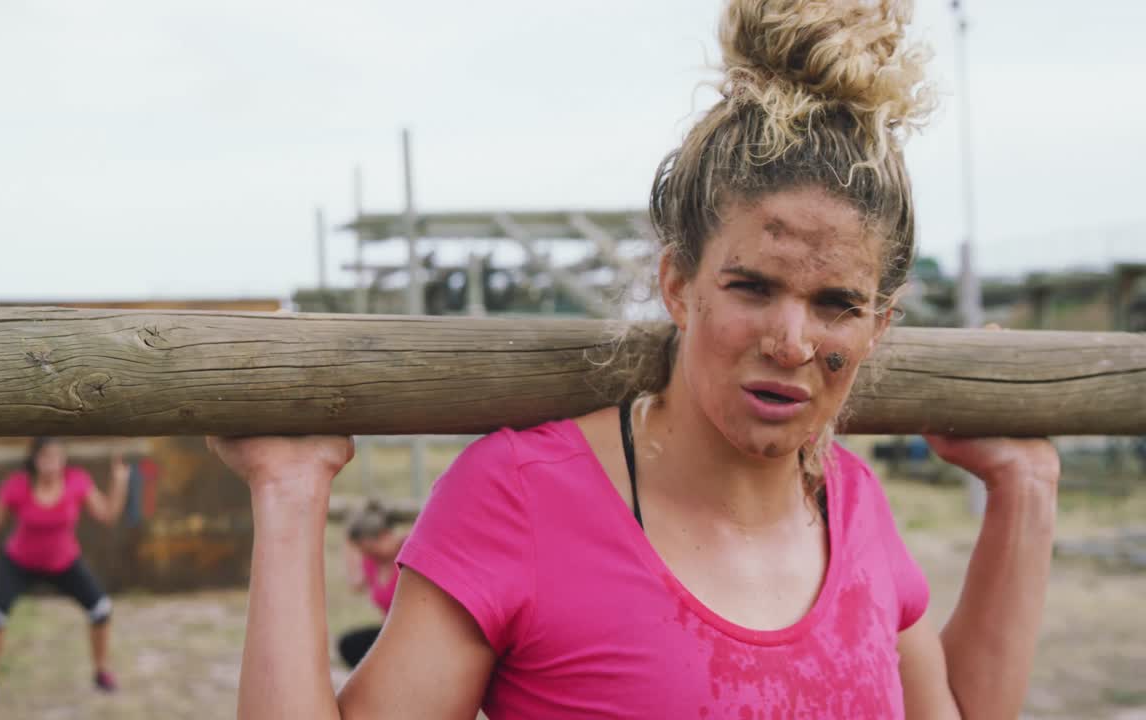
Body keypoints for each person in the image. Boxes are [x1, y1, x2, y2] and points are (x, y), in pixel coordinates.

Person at [209, 1, 1061, 717]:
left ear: (879, 325)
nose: (792, 341)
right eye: (752, 287)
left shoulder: (858, 509)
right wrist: (288, 494)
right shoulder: (520, 497)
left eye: (836, 303)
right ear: (679, 284)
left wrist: (1026, 488)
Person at [0, 437, 129, 700]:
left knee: (101, 609)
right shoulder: (18, 485)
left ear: (64, 459)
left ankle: (101, 671)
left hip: (63, 562)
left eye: (56, 457)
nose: (51, 464)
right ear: (35, 459)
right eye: (45, 457)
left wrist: (120, 480)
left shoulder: (77, 480)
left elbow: (108, 514)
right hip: (20, 562)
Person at [337, 501, 407, 669]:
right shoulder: (372, 562)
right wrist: (347, 542)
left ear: (384, 535)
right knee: (350, 644)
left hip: (415, 631)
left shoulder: (408, 550)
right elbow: (355, 584)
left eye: (370, 550)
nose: (367, 555)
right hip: (391, 633)